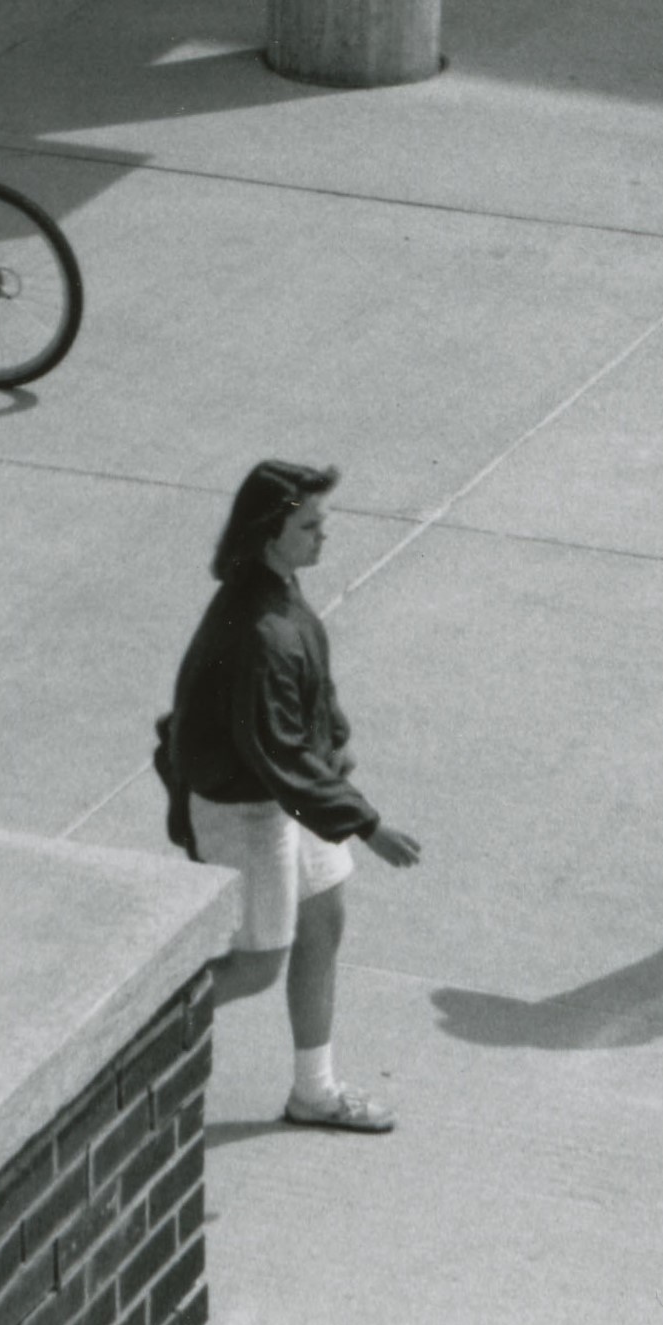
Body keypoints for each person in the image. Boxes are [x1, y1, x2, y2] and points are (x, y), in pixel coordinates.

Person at [159, 458, 422, 1132]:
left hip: (284, 795)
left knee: (323, 919)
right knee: (253, 966)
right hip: (246, 808)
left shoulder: (278, 589)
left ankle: (316, 1091)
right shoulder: (257, 631)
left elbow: (309, 698)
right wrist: (366, 824)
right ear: (269, 532)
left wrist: (333, 740)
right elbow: (273, 750)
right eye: (309, 525)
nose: (321, 536)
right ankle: (135, 1033)